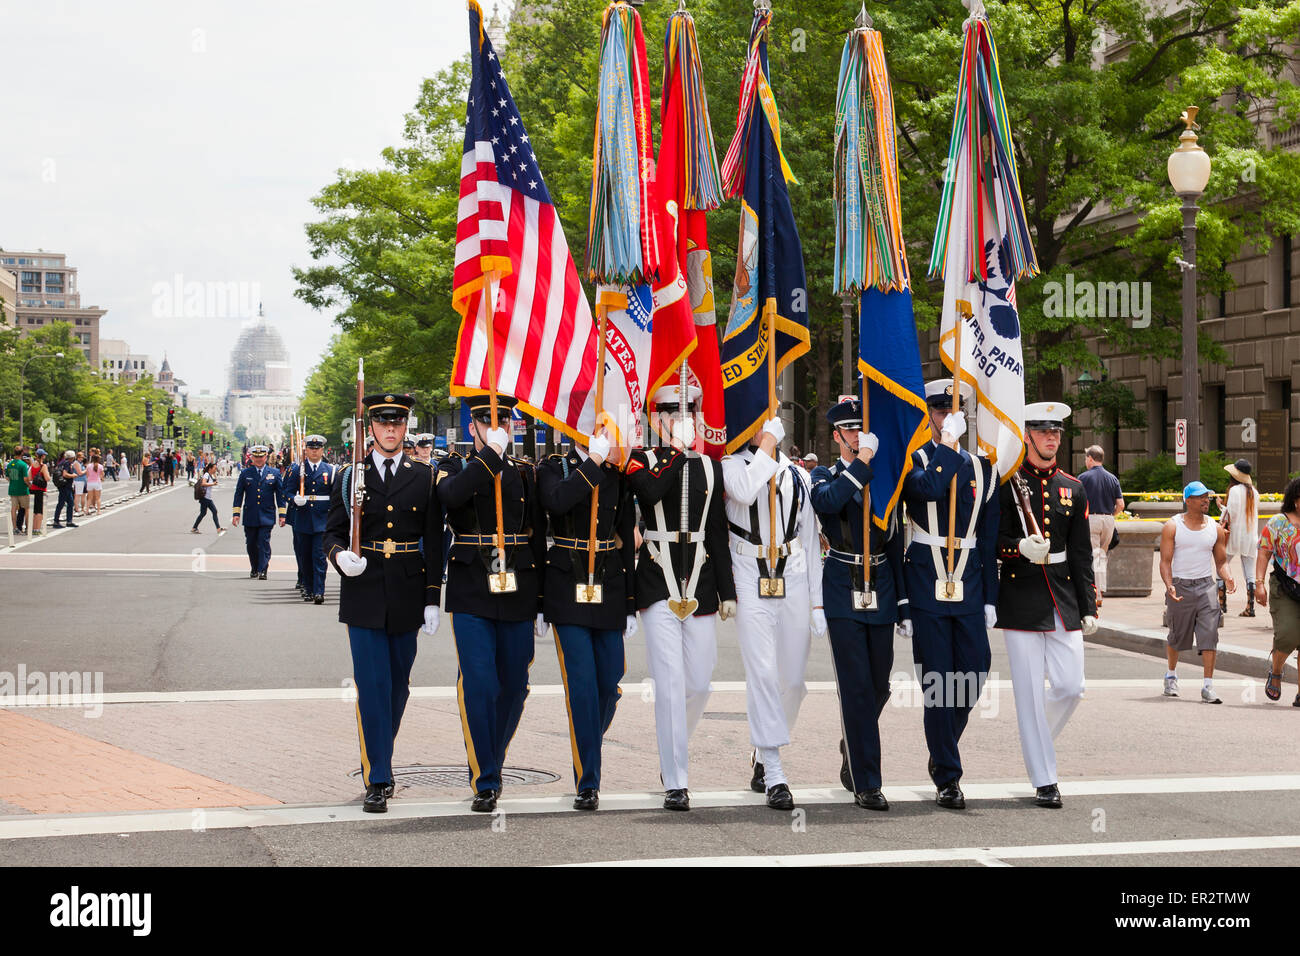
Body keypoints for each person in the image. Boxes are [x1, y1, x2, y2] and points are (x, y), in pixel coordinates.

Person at [324, 392, 443, 813]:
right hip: (364, 589)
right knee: (371, 687)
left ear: (405, 427)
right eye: (382, 423)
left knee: (397, 687)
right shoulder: (348, 476)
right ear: (370, 428)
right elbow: (333, 533)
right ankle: (379, 776)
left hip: (409, 590)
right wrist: (340, 557)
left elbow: (434, 540)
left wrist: (433, 597)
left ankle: (379, 753)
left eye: (397, 423)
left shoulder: (425, 476)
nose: (390, 430)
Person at [625, 383, 736, 811]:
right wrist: (675, 449)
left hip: (702, 583)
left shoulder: (711, 466)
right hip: (657, 581)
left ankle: (675, 745)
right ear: (656, 419)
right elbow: (651, 493)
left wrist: (727, 591)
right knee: (669, 684)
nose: (683, 416)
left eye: (690, 409)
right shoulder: (642, 459)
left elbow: (716, 532)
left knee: (700, 680)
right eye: (672, 411)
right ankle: (676, 777)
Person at [436, 394, 545, 813]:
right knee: (480, 683)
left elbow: (535, 535)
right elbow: (450, 498)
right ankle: (485, 777)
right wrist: (491, 455)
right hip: (471, 585)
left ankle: (492, 759)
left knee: (515, 685)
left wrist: (540, 603)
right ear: (472, 428)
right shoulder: (454, 465)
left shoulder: (526, 473)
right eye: (486, 421)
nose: (495, 427)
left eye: (502, 421)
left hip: (517, 584)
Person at [901, 379, 999, 811]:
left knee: (976, 669)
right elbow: (925, 491)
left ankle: (942, 744)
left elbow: (990, 537)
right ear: (930, 416)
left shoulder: (985, 468)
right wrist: (947, 445)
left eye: (953, 412)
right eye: (940, 412)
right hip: (927, 579)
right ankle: (947, 774)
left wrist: (992, 598)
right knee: (939, 681)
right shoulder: (917, 459)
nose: (947, 418)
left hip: (971, 580)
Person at [996, 402, 1096, 809]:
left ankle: (1033, 741)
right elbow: (993, 541)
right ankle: (1045, 778)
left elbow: (1082, 552)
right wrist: (1017, 547)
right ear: (1027, 435)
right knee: (1029, 695)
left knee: (1072, 686)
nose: (1051, 437)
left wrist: (1089, 604)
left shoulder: (1073, 487)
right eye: (1042, 430)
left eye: (1055, 431)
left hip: (1063, 595)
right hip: (1021, 596)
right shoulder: (1008, 483)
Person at [809, 397, 905, 812]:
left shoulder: (880, 478)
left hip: (880, 584)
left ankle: (853, 739)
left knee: (879, 685)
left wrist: (902, 601)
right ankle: (868, 782)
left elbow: (896, 538)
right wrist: (862, 462)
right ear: (837, 436)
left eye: (860, 430)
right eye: (849, 431)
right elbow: (826, 503)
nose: (855, 436)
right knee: (855, 687)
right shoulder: (821, 474)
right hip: (842, 584)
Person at [723, 414, 823, 810]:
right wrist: (765, 446)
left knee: (794, 681)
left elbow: (811, 538)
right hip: (749, 573)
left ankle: (763, 750)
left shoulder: (799, 475)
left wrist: (817, 601)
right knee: (762, 671)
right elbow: (746, 492)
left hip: (793, 574)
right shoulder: (731, 465)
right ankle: (775, 772)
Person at [536, 424, 635, 811]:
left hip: (608, 586)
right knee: (581, 686)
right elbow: (557, 504)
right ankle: (587, 780)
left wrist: (629, 602)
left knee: (609, 683)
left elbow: (624, 533)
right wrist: (592, 460)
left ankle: (587, 741)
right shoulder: (553, 469)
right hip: (566, 585)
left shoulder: (616, 476)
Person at [1160, 481, 1236, 703]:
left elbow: (1221, 561)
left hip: (1206, 586)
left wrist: (1228, 576)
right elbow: (1165, 562)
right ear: (1188, 500)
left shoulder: (1215, 528)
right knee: (1177, 636)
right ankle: (1171, 675)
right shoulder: (1172, 526)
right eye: (1201, 497)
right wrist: (1168, 584)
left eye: (1208, 497)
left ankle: (1208, 686)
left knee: (1210, 634)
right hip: (1180, 585)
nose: (1206, 500)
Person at [1257, 476, 1300, 706]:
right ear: (1295, 500)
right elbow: (1264, 552)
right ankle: (1276, 671)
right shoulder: (1277, 523)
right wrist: (1259, 583)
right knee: (1288, 634)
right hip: (1284, 587)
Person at [286, 435, 335, 605]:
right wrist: (294, 499)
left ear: (322, 450)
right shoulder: (298, 469)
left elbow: (334, 496)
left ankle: (319, 591)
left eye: (317, 448)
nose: (314, 451)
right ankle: (308, 588)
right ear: (306, 450)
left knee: (320, 557)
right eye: (311, 448)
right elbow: (288, 491)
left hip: (322, 520)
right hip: (303, 518)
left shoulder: (330, 470)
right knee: (305, 556)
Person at [231, 444, 287, 579]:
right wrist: (236, 514)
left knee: (263, 542)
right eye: (256, 457)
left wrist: (282, 515)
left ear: (266, 457)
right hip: (250, 514)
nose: (259, 459)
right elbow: (239, 494)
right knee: (251, 543)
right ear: (252, 458)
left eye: (261, 457)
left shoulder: (274, 473)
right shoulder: (245, 473)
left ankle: (263, 569)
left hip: (267, 514)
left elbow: (280, 495)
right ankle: (254, 567)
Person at [1078, 445, 1124, 605]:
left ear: (1090, 458)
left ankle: (1096, 594)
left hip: (1091, 519)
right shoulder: (1113, 478)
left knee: (1093, 556)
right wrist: (1112, 515)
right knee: (1100, 556)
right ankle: (1100, 591)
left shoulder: (1083, 478)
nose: (1085, 461)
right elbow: (1121, 504)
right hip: (1108, 520)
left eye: (1086, 458)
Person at [1220, 459, 1260, 617]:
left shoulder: (1234, 491)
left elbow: (1230, 515)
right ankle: (1250, 608)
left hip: (1233, 536)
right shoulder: (1254, 492)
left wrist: (1221, 507)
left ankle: (1221, 604)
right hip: (1250, 537)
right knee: (1250, 573)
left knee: (1221, 566)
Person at [191, 462, 226, 535]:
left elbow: (215, 481)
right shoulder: (206, 475)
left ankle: (195, 527)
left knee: (206, 513)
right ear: (210, 468)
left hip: (208, 498)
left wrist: (214, 476)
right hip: (205, 498)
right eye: (214, 468)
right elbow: (203, 483)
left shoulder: (210, 475)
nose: (215, 470)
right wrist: (213, 484)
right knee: (210, 512)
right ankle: (195, 527)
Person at [6, 445, 30, 535]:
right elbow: (25, 479)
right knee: (27, 508)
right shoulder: (23, 465)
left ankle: (15, 528)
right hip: (23, 490)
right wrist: (29, 485)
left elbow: (7, 477)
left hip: (12, 489)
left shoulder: (10, 464)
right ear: (22, 453)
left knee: (13, 509)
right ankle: (27, 528)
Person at [52, 451, 78, 529]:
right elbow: (65, 474)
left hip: (64, 486)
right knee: (62, 503)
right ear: (72, 457)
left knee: (70, 503)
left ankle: (68, 521)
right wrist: (73, 475)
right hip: (65, 486)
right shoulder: (67, 463)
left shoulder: (62, 462)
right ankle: (56, 521)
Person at [26, 449, 50, 536]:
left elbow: (29, 478)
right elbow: (47, 478)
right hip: (40, 490)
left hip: (32, 489)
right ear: (43, 456)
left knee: (33, 510)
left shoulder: (32, 465)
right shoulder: (43, 466)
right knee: (39, 510)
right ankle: (37, 529)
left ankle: (31, 528)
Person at [72, 451, 87, 516]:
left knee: (83, 495)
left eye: (82, 458)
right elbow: (80, 473)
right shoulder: (76, 463)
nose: (82, 459)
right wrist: (86, 470)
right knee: (77, 495)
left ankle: (82, 508)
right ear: (78, 457)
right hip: (78, 480)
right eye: (81, 457)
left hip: (83, 481)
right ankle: (77, 508)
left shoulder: (81, 463)